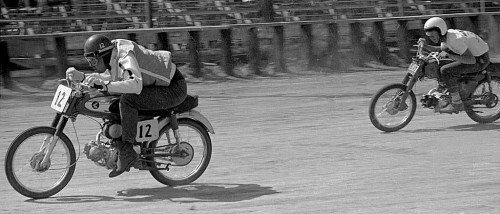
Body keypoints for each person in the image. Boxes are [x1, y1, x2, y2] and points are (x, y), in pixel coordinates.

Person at [66, 34, 187, 177]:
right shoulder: (113, 55)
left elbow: (135, 84)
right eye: (88, 60)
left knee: (127, 100)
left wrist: (104, 85)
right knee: (114, 98)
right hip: (157, 88)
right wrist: (82, 77)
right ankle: (121, 141)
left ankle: (127, 152)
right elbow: (112, 79)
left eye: (92, 60)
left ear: (102, 55)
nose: (90, 64)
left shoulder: (125, 56)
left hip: (173, 89)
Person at [418, 17, 490, 114]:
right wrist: (426, 46)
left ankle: (457, 102)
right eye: (429, 37)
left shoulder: (455, 40)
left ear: (440, 31)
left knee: (445, 70)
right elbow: (441, 49)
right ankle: (446, 90)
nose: (432, 38)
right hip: (471, 56)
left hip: (480, 60)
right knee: (441, 64)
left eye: (433, 36)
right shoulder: (447, 36)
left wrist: (449, 55)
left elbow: (471, 60)